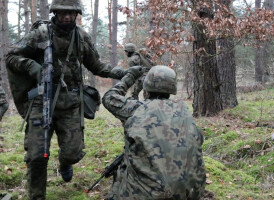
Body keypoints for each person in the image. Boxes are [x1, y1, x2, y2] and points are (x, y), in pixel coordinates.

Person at [5, 0, 126, 199]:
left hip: (69, 104)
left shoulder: (81, 37)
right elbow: (11, 56)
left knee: (73, 153)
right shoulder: (40, 34)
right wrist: (31, 66)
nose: (67, 17)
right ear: (55, 12)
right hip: (41, 101)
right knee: (36, 156)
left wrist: (123, 73)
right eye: (62, 13)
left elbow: (97, 66)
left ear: (77, 13)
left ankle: (65, 162)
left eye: (71, 13)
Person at [102, 65, 206, 199]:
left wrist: (130, 76)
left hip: (148, 195)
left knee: (123, 170)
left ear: (146, 89)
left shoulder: (136, 109)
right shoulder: (183, 111)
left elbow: (109, 97)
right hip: (189, 193)